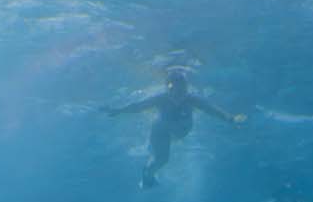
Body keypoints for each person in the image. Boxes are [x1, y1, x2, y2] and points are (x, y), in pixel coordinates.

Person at [104, 69, 244, 188]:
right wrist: (119, 110)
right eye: (175, 89)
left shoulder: (192, 99)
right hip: (161, 131)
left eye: (182, 89)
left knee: (162, 157)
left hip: (179, 131)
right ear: (168, 87)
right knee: (163, 159)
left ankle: (149, 167)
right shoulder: (161, 98)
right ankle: (148, 174)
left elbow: (211, 109)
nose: (178, 94)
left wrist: (229, 118)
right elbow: (137, 106)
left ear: (186, 88)